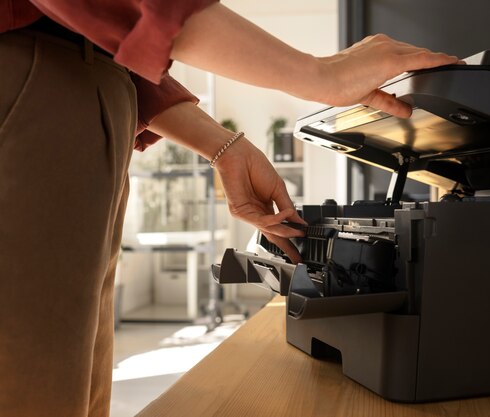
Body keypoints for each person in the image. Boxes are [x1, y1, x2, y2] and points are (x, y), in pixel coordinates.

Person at [0, 1, 462, 416]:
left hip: (92, 91)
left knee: (77, 395)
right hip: (38, 81)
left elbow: (115, 48)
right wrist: (320, 74)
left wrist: (225, 148)